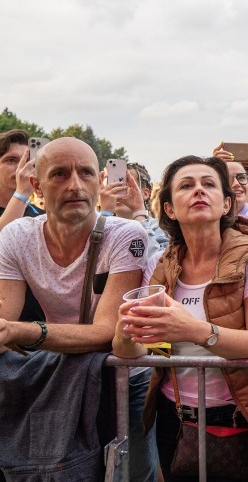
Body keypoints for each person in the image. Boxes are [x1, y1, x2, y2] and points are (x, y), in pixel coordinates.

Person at [112, 155, 248, 482]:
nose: (199, 191)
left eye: (209, 184)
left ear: (226, 204)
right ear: (170, 209)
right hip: (173, 416)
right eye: (187, 186)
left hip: (237, 416)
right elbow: (155, 352)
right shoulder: (160, 266)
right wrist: (125, 336)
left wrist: (194, 330)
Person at [0, 137, 154, 480]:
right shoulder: (15, 237)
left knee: (136, 473)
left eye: (85, 173)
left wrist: (21, 332)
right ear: (37, 186)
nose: (74, 185)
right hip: (64, 375)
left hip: (126, 378)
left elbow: (105, 332)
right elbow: (4, 318)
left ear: (99, 183)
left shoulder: (126, 234)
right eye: (59, 174)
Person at [0, 129, 44, 232]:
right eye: (11, 160)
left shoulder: (41, 217)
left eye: (27, 160)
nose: (22, 167)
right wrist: (21, 194)